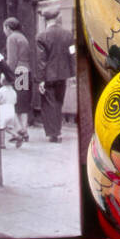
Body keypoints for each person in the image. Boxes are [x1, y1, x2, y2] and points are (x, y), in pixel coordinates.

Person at [36, 8, 76, 143]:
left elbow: (42, 60)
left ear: (45, 19)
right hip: (63, 75)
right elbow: (72, 55)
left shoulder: (41, 36)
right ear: (57, 18)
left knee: (48, 104)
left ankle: (54, 133)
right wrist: (73, 73)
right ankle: (58, 132)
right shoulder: (68, 35)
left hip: (48, 76)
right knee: (59, 102)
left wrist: (40, 80)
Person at [0, 16, 31, 146]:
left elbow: (11, 60)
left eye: (4, 28)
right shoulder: (22, 37)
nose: (4, 31)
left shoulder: (11, 38)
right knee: (23, 103)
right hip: (25, 70)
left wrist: (5, 74)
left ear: (8, 27)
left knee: (15, 101)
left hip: (18, 72)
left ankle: (20, 131)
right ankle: (24, 130)